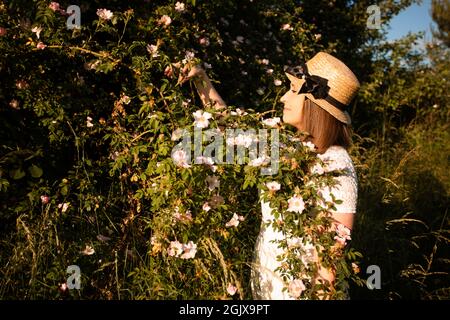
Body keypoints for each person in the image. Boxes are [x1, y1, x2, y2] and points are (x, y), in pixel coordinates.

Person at [183, 52, 360, 299]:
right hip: (268, 278)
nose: (284, 96)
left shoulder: (336, 164)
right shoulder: (285, 147)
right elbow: (230, 129)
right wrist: (200, 78)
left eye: (293, 89)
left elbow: (329, 260)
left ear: (314, 104)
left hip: (302, 289)